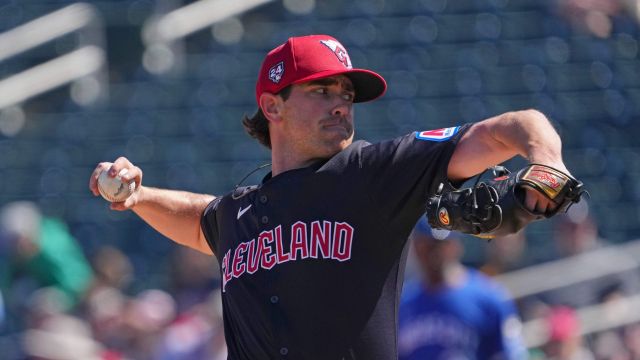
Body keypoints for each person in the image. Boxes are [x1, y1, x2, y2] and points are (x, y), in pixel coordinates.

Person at [89, 34, 574, 359]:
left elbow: (516, 126)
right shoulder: (238, 212)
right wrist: (139, 195)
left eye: (346, 92)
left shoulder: (374, 172)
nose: (342, 102)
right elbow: (200, 220)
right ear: (271, 105)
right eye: (322, 90)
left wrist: (547, 161)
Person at [398, 218, 526, 360]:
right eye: (427, 245)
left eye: (440, 245)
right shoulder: (402, 303)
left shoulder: (488, 296)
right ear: (416, 247)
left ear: (456, 245)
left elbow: (510, 354)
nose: (434, 254)